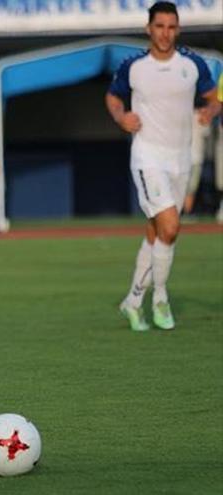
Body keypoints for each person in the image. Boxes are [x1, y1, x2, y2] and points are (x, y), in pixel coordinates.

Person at [106, 1, 219, 331]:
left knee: (156, 233)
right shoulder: (134, 66)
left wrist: (211, 111)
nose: (165, 33)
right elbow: (113, 97)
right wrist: (120, 116)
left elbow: (213, 97)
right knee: (170, 227)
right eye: (159, 26)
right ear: (149, 29)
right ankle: (160, 298)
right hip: (148, 157)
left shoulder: (193, 64)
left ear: (178, 29)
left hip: (180, 159)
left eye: (171, 26)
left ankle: (132, 300)